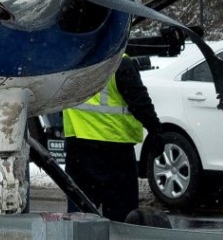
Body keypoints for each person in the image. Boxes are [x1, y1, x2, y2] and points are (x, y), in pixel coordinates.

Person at [62, 57, 162, 223]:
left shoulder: (71, 61)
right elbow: (139, 101)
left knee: (79, 217)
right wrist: (155, 129)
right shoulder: (119, 62)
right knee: (120, 217)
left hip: (79, 148)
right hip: (116, 150)